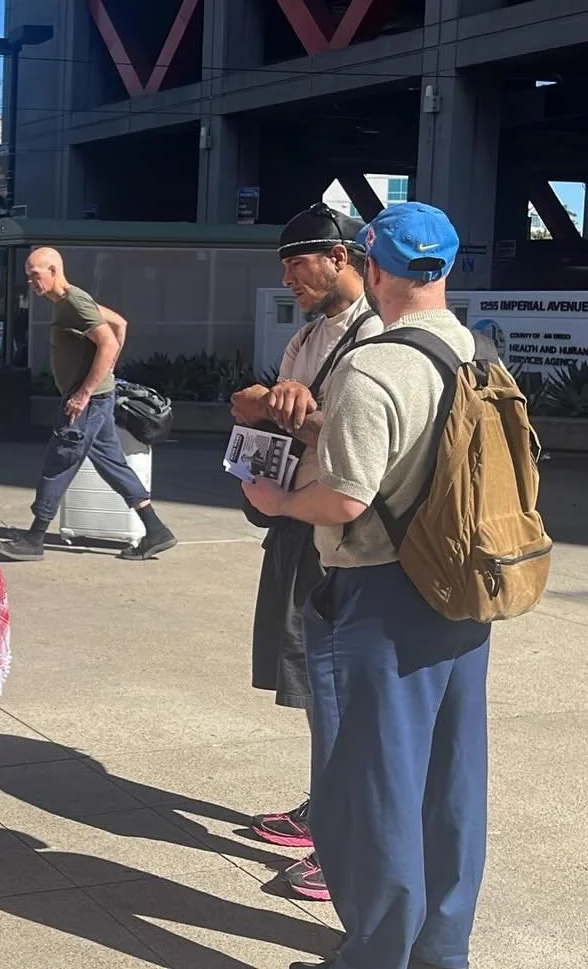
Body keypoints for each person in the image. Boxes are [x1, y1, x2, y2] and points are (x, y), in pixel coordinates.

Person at [242, 203, 490, 969]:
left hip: (380, 596)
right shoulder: (474, 351)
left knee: (370, 791)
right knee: (450, 782)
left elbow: (345, 499)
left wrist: (276, 501)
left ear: (372, 266)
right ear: (444, 269)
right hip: (461, 591)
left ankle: (374, 956)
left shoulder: (373, 364)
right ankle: (441, 951)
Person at [228, 203, 382, 902]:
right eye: (285, 264)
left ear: (342, 257)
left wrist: (295, 410)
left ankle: (347, 842)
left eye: (300, 261)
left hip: (348, 536)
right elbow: (256, 405)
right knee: (314, 680)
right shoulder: (308, 338)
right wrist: (264, 400)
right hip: (299, 524)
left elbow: (370, 440)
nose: (288, 277)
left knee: (346, 691)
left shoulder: (378, 337)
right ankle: (325, 807)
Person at [0, 246, 176, 562]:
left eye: (35, 276)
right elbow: (120, 324)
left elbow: (110, 339)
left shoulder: (74, 302)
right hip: (96, 400)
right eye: (29, 277)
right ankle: (156, 530)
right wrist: (106, 373)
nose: (31, 283)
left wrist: (85, 392)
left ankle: (34, 539)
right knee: (113, 465)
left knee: (59, 462)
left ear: (53, 270)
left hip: (85, 403)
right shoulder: (70, 301)